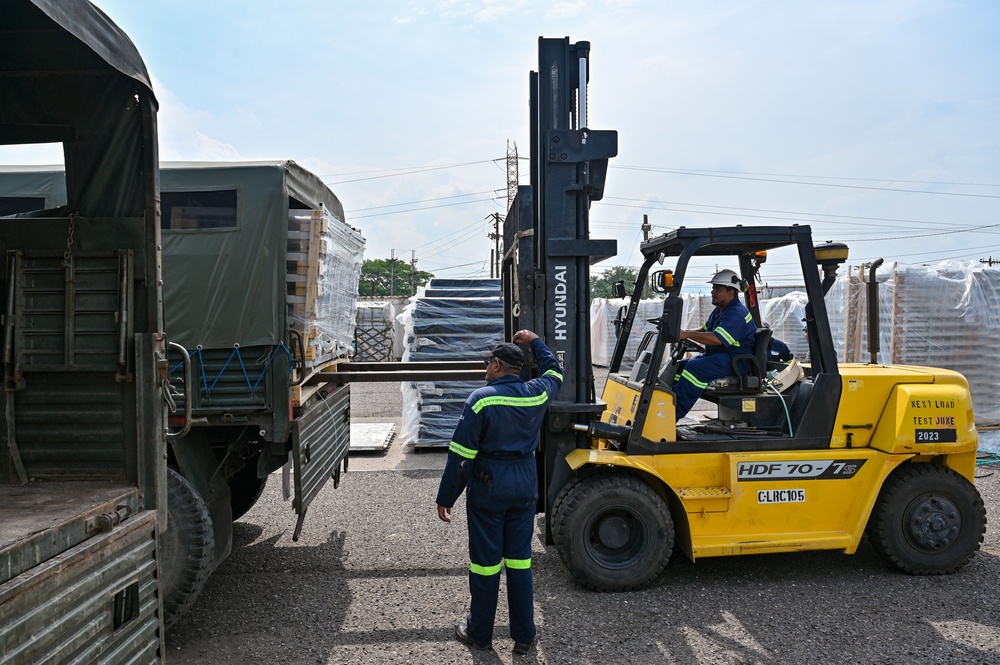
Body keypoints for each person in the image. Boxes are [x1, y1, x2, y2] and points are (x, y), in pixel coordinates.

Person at [435, 329, 563, 654]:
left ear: (495, 366)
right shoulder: (536, 393)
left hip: (489, 482)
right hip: (524, 482)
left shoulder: (481, 399)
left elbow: (461, 456)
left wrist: (446, 497)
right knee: (520, 561)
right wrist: (535, 342)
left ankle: (480, 631)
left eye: (487, 364)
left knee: (485, 563)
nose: (485, 369)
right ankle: (524, 635)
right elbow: (555, 371)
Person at [673, 269, 757, 420]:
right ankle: (662, 406)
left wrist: (687, 334)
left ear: (731, 292)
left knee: (694, 369)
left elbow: (716, 338)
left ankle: (671, 416)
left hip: (735, 362)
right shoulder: (721, 310)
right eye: (713, 288)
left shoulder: (737, 313)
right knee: (677, 367)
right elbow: (705, 330)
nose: (712, 292)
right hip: (720, 357)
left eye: (717, 289)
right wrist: (681, 333)